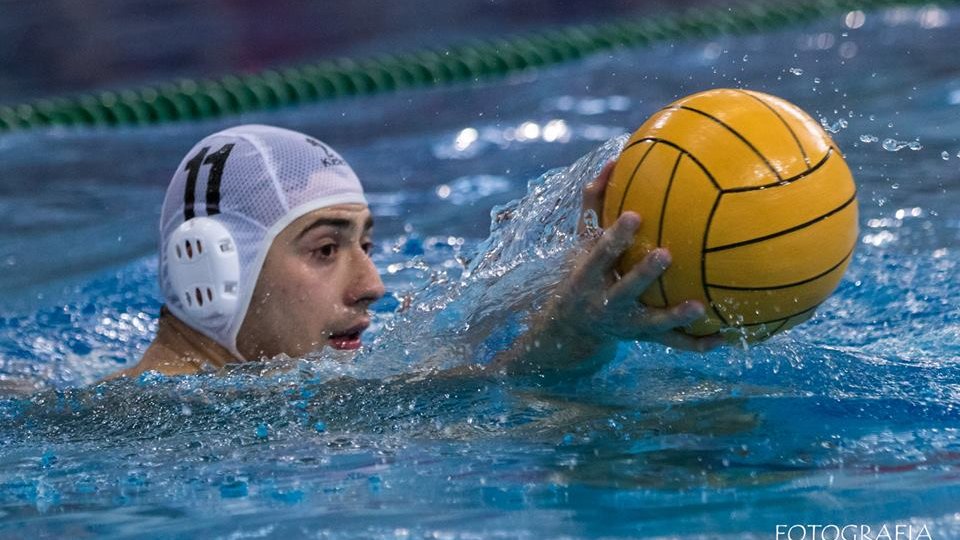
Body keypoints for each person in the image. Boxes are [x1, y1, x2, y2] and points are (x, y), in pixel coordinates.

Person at [108, 124, 721, 380]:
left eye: (365, 244)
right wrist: (570, 344)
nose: (372, 283)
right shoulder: (132, 429)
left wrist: (571, 274)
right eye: (326, 249)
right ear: (209, 270)